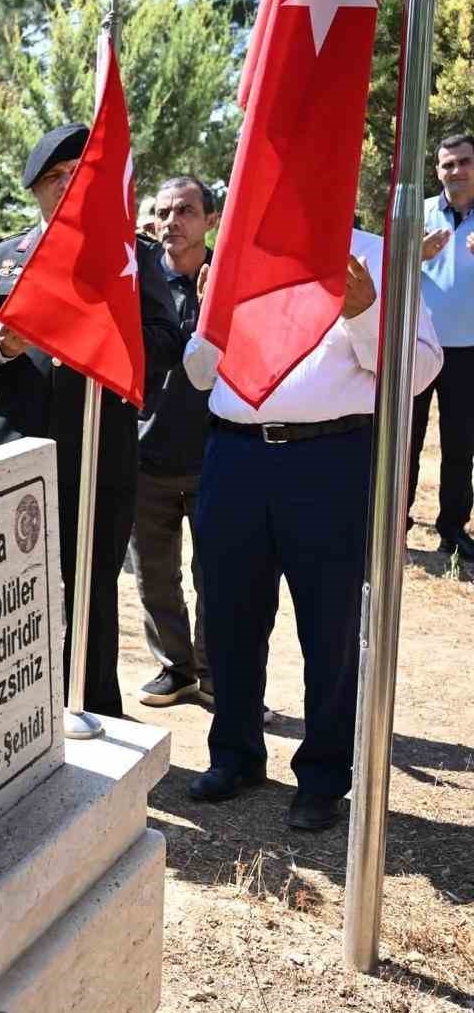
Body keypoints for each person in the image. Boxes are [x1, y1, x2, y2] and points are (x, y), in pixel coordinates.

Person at [185, 229, 442, 830]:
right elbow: (201, 375)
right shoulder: (239, 250)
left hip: (329, 458)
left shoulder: (380, 253)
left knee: (329, 627)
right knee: (228, 614)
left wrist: (364, 313)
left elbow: (421, 369)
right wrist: (207, 316)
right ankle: (235, 754)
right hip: (234, 454)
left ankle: (324, 777)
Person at [0, 123, 183, 719]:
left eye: (79, 175)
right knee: (17, 591)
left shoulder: (130, 256)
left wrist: (110, 341)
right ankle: (18, 718)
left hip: (100, 450)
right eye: (55, 178)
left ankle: (94, 713)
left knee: (92, 592)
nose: (68, 187)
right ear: (35, 189)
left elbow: (166, 338)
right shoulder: (4, 259)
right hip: (18, 451)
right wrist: (2, 349)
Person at [131, 176, 218, 708]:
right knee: (154, 576)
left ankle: (214, 673)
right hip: (147, 454)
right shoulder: (139, 283)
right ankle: (175, 668)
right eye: (163, 212)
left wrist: (215, 309)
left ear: (210, 219)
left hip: (217, 457)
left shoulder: (230, 282)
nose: (172, 222)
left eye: (185, 210)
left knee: (219, 577)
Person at [409, 133, 474, 559]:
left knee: (460, 446)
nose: (456, 171)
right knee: (405, 441)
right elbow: (386, 267)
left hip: (469, 351)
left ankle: (452, 529)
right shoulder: (419, 212)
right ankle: (393, 524)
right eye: (448, 164)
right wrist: (415, 253)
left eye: (464, 162)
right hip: (417, 345)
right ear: (437, 171)